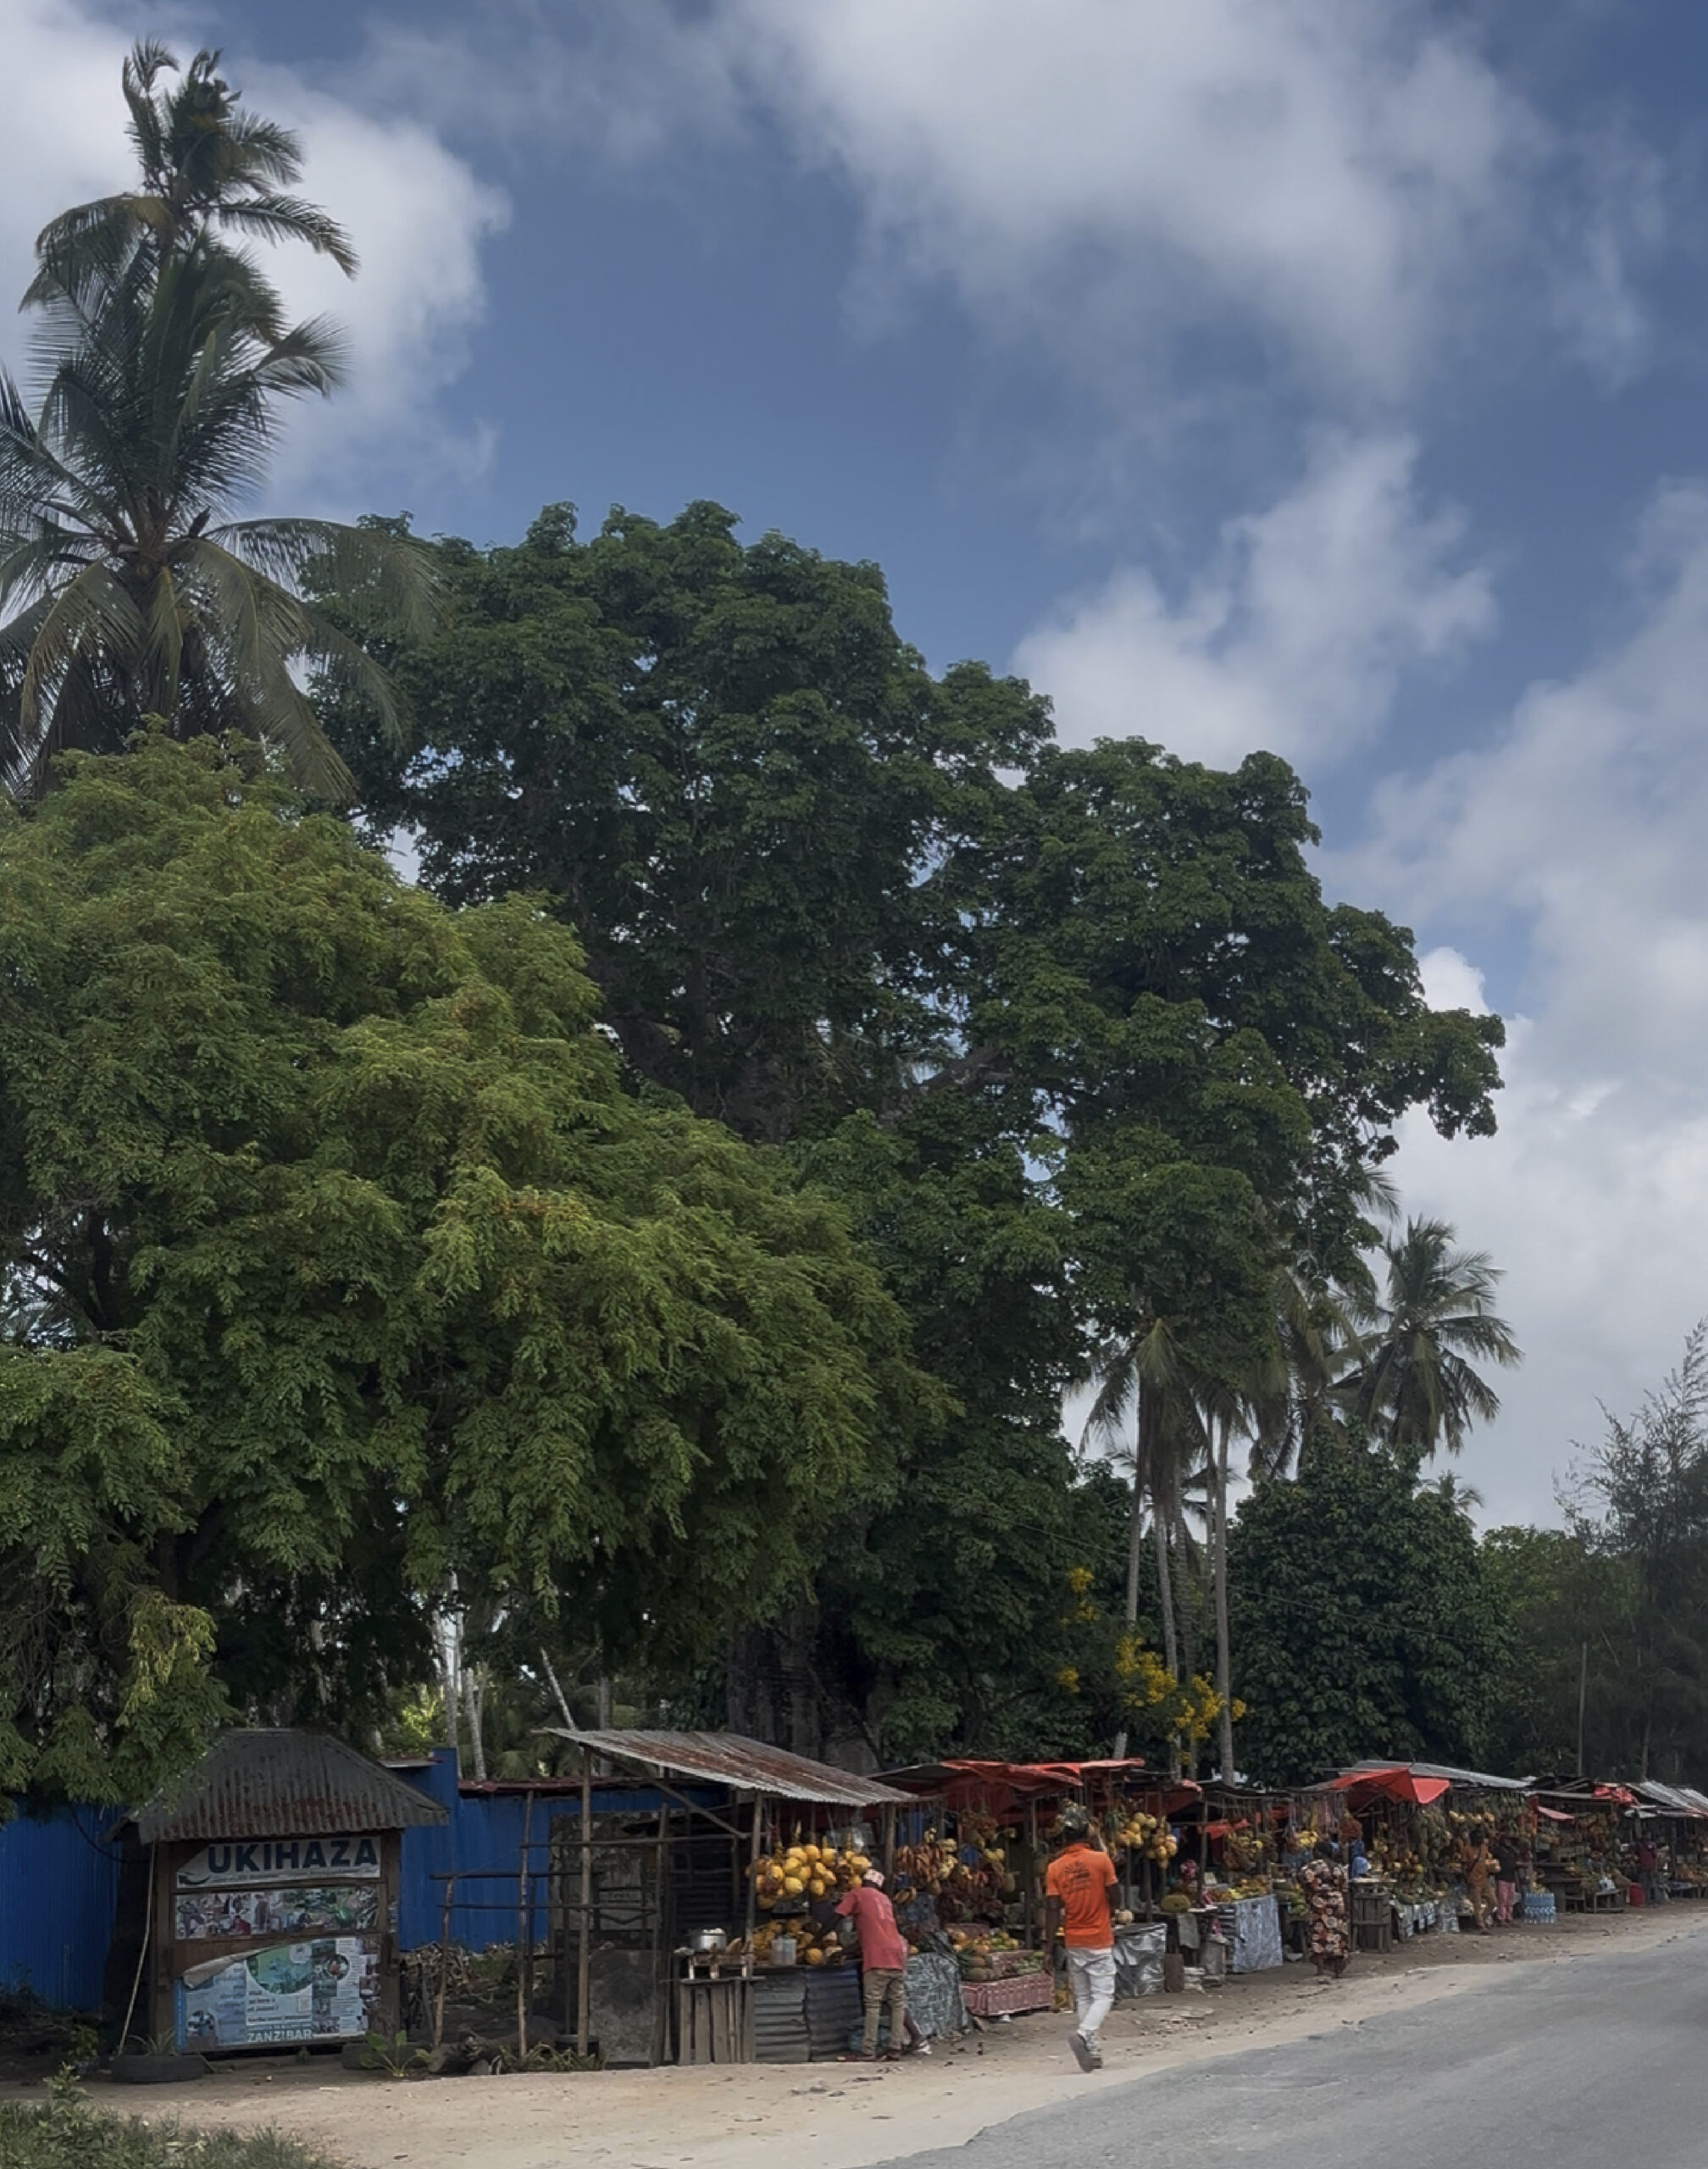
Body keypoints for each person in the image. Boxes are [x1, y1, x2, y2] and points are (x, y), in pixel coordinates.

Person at [1043, 1805, 1118, 2072]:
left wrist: (1048, 1948)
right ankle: (1085, 2034)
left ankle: (1093, 2051)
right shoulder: (1101, 1860)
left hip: (1073, 1939)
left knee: (1084, 1995)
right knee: (1105, 1994)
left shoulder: (1055, 1868)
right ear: (1087, 1831)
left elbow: (1052, 1909)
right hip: (1099, 1937)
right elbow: (1115, 1896)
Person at [835, 1867, 910, 2061]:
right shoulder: (885, 1900)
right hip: (897, 1955)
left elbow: (837, 1916)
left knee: (873, 2004)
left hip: (877, 1958)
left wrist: (817, 1939)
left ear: (863, 1881)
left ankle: (868, 2050)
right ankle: (896, 2047)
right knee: (897, 2003)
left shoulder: (857, 1894)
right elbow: (874, 1931)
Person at [1297, 1839, 1350, 1979]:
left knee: (1319, 1935)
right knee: (1337, 1935)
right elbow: (1344, 1888)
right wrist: (1346, 1907)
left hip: (1319, 1903)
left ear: (1318, 1852)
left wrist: (1311, 1890)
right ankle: (1338, 1970)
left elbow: (1301, 1877)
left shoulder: (1311, 1866)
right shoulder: (1337, 1867)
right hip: (1337, 1903)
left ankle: (1321, 1970)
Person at [1462, 1828, 1494, 1933]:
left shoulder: (1484, 1849)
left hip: (1484, 1880)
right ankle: (1481, 1925)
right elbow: (1464, 1866)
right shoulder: (1467, 1850)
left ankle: (1482, 1919)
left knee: (1493, 1902)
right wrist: (1467, 1879)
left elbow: (1487, 1861)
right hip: (1474, 1881)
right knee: (1477, 1904)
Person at [1492, 1831, 1519, 1924]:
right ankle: (1501, 1918)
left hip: (1511, 1878)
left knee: (1510, 1899)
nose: (1508, 1842)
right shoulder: (1498, 1851)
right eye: (1506, 1840)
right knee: (1502, 1899)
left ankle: (1509, 1917)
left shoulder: (1512, 1851)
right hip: (1501, 1877)